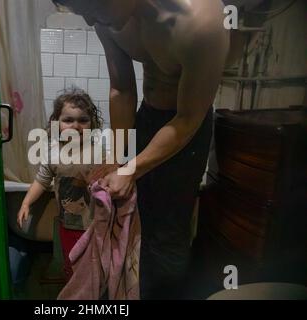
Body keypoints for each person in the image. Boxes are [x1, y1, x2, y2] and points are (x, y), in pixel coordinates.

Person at [50, 0, 251, 299]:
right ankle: (131, 290)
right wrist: (118, 159)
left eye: (92, 10)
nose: (91, 23)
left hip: (185, 128)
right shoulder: (107, 18)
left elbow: (188, 118)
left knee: (168, 231)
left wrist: (133, 168)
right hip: (145, 117)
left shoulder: (203, 23)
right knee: (131, 212)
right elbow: (122, 87)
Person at [17, 88, 106, 282]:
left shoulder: (99, 152)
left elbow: (111, 181)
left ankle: (92, 288)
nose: (76, 125)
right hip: (68, 223)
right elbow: (41, 180)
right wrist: (26, 202)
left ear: (92, 124)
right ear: (56, 124)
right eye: (68, 120)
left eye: (83, 120)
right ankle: (73, 285)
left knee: (93, 264)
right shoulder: (53, 154)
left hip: (95, 223)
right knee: (70, 261)